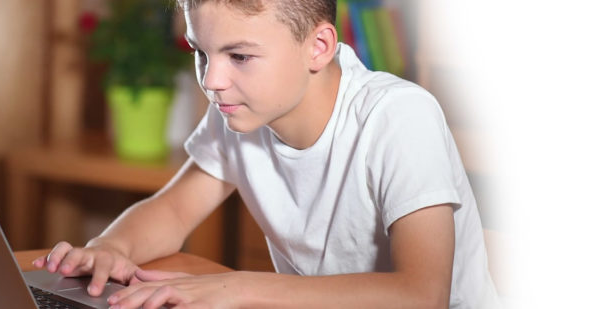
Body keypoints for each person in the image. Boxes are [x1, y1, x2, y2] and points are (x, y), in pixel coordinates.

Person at [33, 0, 500, 308]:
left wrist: (237, 286)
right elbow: (174, 210)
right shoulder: (241, 112)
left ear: (318, 47)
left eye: (239, 56)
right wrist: (111, 248)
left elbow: (422, 295)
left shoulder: (398, 116)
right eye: (201, 53)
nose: (212, 81)